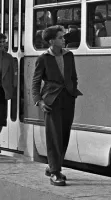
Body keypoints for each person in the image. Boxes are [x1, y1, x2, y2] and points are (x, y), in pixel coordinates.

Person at [32, 25, 82, 186]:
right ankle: (55, 172)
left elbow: (73, 77)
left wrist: (72, 90)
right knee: (53, 136)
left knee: (64, 135)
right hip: (51, 100)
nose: (64, 39)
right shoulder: (43, 58)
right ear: (52, 41)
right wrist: (39, 101)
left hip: (68, 98)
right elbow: (36, 82)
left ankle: (54, 166)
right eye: (61, 37)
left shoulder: (69, 56)